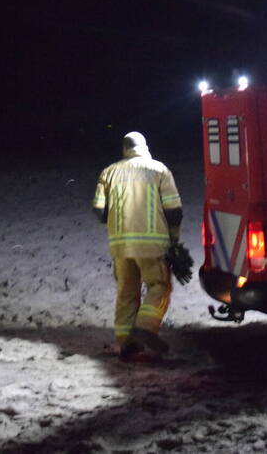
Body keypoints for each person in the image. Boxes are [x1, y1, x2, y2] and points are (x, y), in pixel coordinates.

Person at [92, 132, 183, 361]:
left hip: (120, 245)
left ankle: (126, 343)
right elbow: (174, 211)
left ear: (124, 149)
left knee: (126, 293)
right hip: (153, 245)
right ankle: (145, 326)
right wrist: (173, 240)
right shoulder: (159, 170)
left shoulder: (108, 172)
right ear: (145, 147)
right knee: (158, 286)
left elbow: (99, 211)